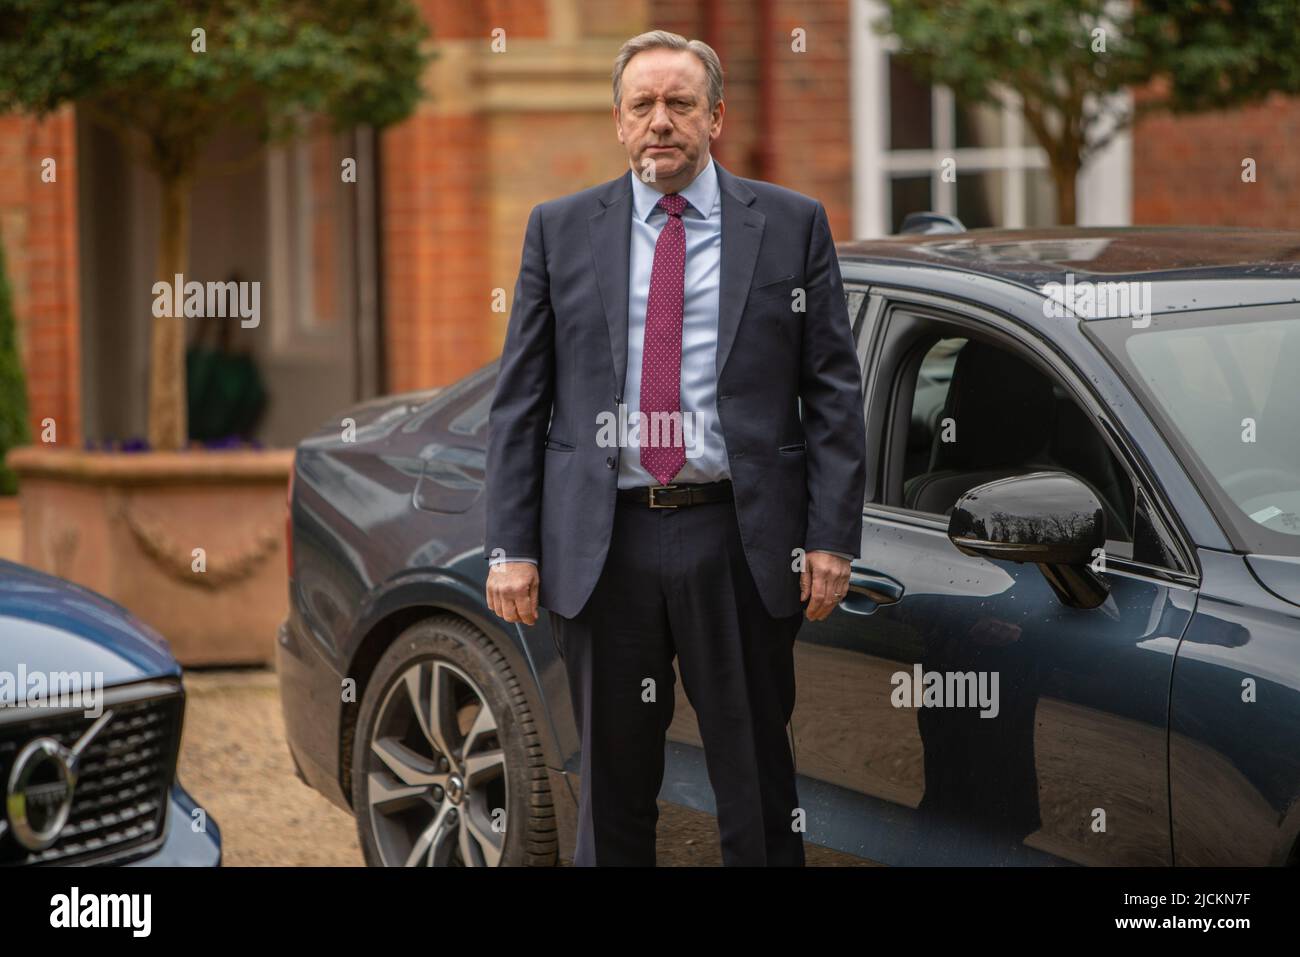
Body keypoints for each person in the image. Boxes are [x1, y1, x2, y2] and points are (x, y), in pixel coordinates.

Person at [484, 29, 867, 866]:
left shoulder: (792, 225)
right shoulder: (558, 230)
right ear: (619, 123)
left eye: (680, 103)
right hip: (603, 541)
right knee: (613, 788)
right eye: (643, 105)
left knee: (757, 782)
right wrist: (511, 546)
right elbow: (520, 399)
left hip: (738, 536)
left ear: (716, 116)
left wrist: (833, 536)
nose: (662, 121)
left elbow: (834, 390)